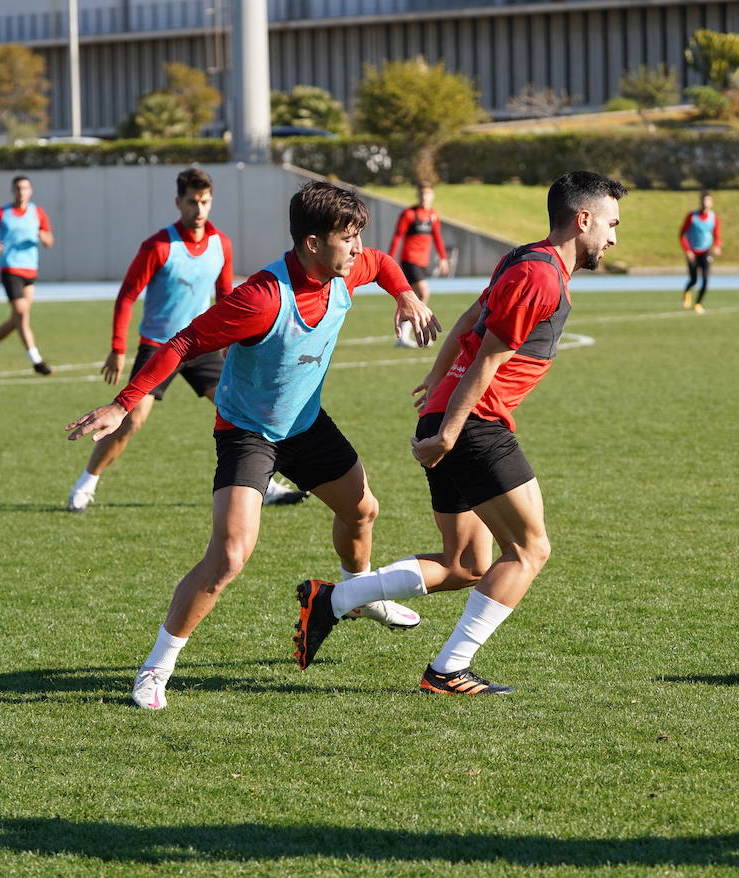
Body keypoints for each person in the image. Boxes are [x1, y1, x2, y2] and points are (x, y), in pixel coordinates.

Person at [65, 181, 441, 710]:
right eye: (347, 238)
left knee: (362, 509)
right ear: (312, 243)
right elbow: (184, 342)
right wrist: (123, 404)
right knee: (229, 558)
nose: (357, 248)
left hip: (306, 425)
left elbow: (380, 263)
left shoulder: (346, 267)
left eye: (357, 236)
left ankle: (355, 594)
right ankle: (156, 668)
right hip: (249, 434)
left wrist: (405, 294)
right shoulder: (262, 299)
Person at [293, 170, 626, 695]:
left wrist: (435, 381)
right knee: (530, 551)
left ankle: (331, 602)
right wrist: (448, 431)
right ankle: (448, 669)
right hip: (475, 426)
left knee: (467, 563)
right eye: (609, 223)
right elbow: (488, 357)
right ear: (582, 219)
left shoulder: (525, 259)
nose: (612, 237)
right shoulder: (539, 276)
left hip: (453, 419)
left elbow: (469, 320)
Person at [65, 168, 304, 513]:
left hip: (201, 344)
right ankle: (85, 485)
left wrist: (231, 343)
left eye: (205, 201)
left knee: (246, 411)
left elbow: (225, 297)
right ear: (179, 202)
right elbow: (127, 296)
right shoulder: (159, 246)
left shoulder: (221, 243)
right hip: (160, 346)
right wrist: (118, 348)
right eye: (192, 202)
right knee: (131, 419)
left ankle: (265, 485)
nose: (199, 209)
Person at [0, 175, 55, 375]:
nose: (22, 192)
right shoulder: (1, 213)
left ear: (31, 190)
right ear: (13, 190)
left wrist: (43, 236)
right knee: (22, 314)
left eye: (25, 188)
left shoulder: (37, 213)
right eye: (18, 188)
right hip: (10, 268)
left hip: (30, 270)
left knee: (17, 319)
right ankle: (36, 360)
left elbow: (49, 241)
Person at [388, 181, 449, 348]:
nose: (424, 197)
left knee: (413, 298)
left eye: (427, 194)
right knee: (423, 293)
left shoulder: (433, 216)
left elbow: (437, 238)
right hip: (409, 260)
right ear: (418, 195)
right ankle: (415, 333)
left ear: (432, 195)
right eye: (422, 194)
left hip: (423, 262)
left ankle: (403, 337)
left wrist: (443, 258)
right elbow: (397, 236)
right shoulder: (408, 214)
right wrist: (389, 259)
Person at [679, 190, 721, 314]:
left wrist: (717, 246)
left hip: (706, 251)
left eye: (708, 200)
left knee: (706, 280)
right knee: (694, 280)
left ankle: (698, 303)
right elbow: (682, 235)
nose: (705, 203)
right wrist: (687, 251)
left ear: (711, 202)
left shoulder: (714, 218)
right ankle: (687, 292)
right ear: (700, 202)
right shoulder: (692, 216)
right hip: (693, 252)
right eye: (703, 200)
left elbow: (717, 235)